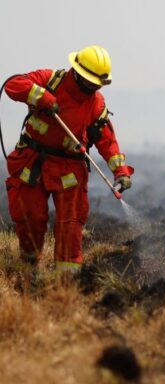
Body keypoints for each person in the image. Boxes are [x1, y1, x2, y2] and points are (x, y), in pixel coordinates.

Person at [4, 45, 134, 273]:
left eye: (97, 84)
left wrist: (120, 171)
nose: (92, 87)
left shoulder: (96, 105)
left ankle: (68, 281)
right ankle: (28, 264)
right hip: (33, 162)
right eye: (90, 82)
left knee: (71, 225)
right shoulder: (50, 80)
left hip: (69, 169)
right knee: (29, 216)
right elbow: (13, 85)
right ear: (77, 72)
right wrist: (41, 97)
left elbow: (107, 141)